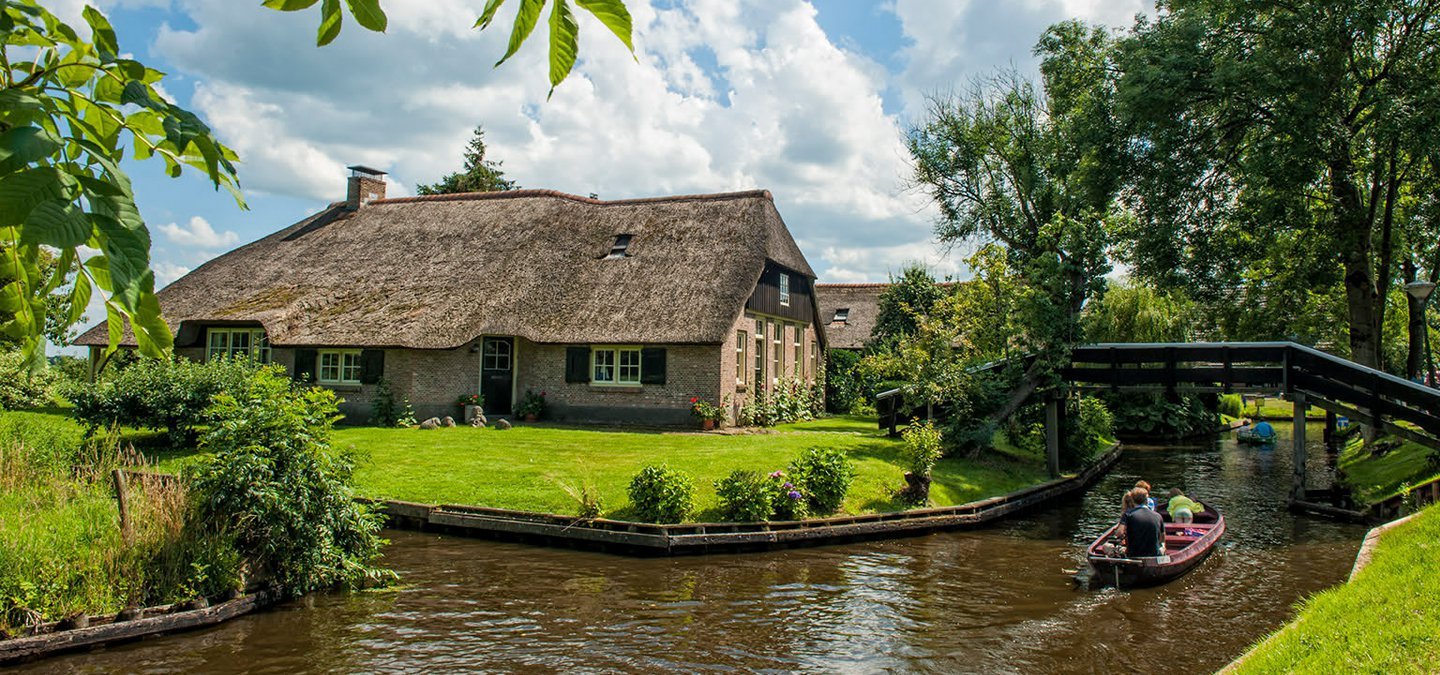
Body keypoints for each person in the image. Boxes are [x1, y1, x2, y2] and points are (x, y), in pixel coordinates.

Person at [1121, 487, 1165, 558]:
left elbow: (1119, 533)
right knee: (1162, 546)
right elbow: (1162, 538)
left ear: (1132, 500)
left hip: (1134, 555)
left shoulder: (1128, 515)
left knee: (1108, 547)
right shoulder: (1158, 516)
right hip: (1154, 555)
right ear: (1147, 501)